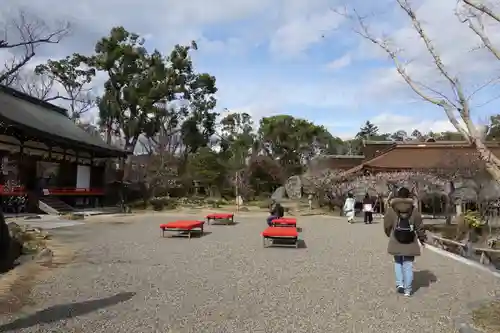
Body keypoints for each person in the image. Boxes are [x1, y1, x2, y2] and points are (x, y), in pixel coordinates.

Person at [383, 187, 426, 297]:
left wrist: (390, 234)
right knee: (408, 264)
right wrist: (422, 239)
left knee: (398, 262)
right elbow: (420, 227)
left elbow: (387, 225)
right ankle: (408, 290)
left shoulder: (391, 209)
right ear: (409, 196)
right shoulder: (414, 210)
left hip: (396, 238)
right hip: (410, 240)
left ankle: (400, 284)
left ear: (397, 196)